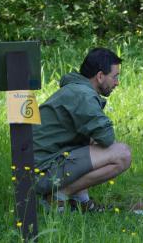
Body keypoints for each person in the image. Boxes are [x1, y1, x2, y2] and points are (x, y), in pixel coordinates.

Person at [33, 47, 132, 212]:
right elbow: (107, 138)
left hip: (41, 166)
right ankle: (57, 196)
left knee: (91, 140)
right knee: (122, 154)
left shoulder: (76, 89)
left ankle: (81, 202)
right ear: (100, 76)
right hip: (41, 173)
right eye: (115, 77)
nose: (117, 82)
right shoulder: (83, 95)